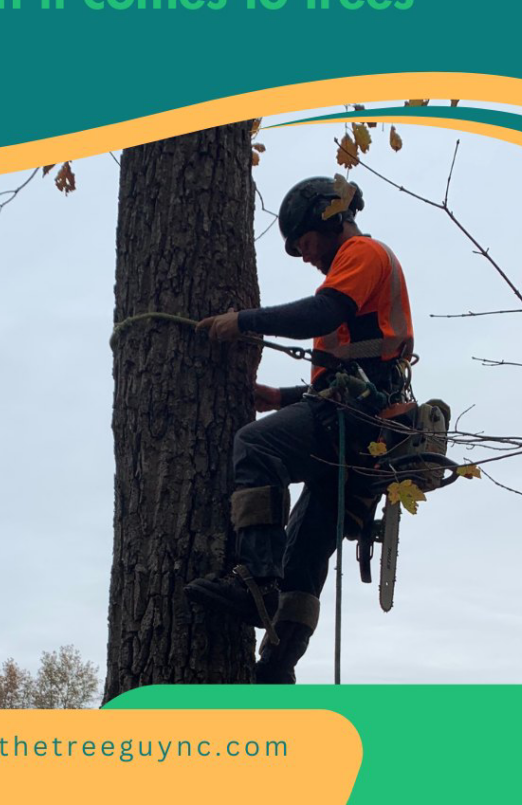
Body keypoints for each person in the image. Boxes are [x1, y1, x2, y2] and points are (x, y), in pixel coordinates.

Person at [184, 176, 415, 683]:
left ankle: (255, 582)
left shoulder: (361, 253)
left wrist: (244, 321)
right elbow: (348, 374)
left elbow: (323, 312)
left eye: (305, 243)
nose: (305, 256)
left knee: (255, 446)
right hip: (363, 434)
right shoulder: (357, 272)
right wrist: (282, 399)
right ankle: (278, 665)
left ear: (327, 219)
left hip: (354, 424)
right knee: (305, 551)